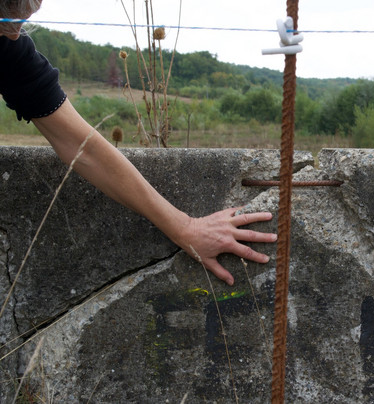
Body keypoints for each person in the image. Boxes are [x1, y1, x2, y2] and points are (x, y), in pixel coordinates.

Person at [0, 0, 277, 286]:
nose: (13, 34)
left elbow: (82, 147)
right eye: (5, 21)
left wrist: (186, 228)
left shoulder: (9, 51)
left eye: (22, 22)